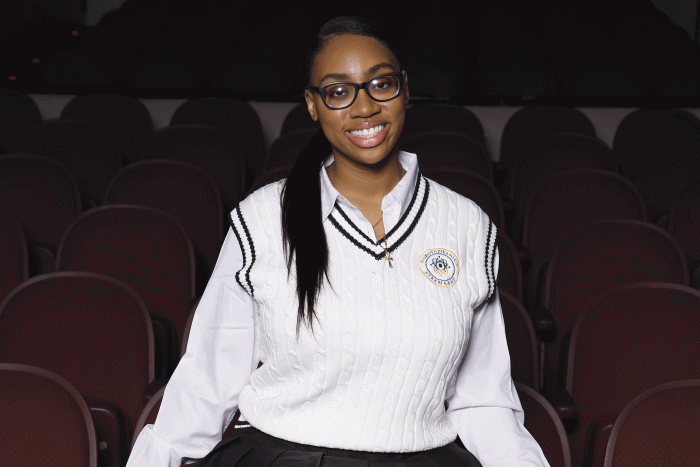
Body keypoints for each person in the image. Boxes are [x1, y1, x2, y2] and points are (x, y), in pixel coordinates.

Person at [127, 15, 550, 467]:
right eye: (338, 91)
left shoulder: (467, 225)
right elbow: (205, 385)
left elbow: (484, 403)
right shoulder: (264, 219)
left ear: (405, 89)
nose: (364, 107)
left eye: (380, 84)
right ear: (313, 105)